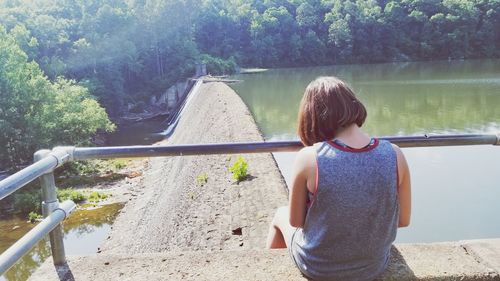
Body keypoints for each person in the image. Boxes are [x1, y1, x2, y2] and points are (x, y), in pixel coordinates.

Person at [266, 76, 411, 281]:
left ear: (311, 116)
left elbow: (296, 221)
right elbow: (403, 220)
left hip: (318, 268)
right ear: (353, 106)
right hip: (373, 266)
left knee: (280, 214)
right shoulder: (395, 154)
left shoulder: (309, 157)